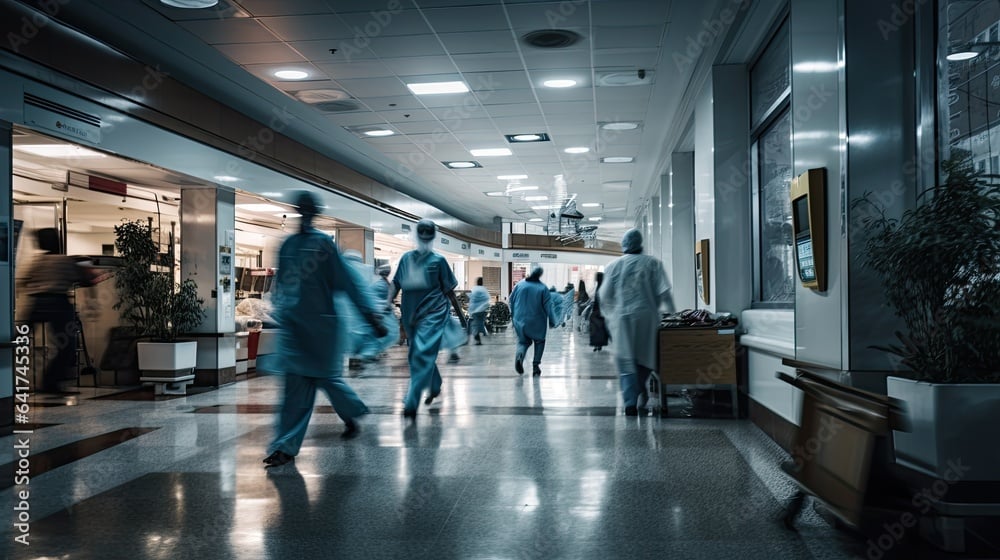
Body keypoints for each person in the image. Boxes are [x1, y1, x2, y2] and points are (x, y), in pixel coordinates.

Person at [263, 191, 387, 468]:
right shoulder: (288, 246)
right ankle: (284, 447)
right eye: (302, 208)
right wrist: (280, 313)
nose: (305, 213)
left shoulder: (323, 246)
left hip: (321, 330)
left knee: (329, 381)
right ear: (298, 210)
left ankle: (353, 413)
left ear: (314, 212)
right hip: (295, 330)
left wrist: (371, 318)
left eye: (309, 209)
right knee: (295, 392)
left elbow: (348, 284)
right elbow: (281, 286)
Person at [389, 219, 467, 420]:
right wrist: (384, 305)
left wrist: (461, 318)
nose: (424, 235)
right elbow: (396, 284)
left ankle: (411, 402)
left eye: (428, 232)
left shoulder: (438, 261)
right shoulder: (406, 259)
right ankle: (435, 386)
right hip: (410, 316)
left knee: (421, 355)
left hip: (433, 314)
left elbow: (450, 292)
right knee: (417, 353)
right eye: (421, 231)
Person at [599, 229, 675, 416]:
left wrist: (610, 317)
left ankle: (630, 401)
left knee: (626, 359)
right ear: (640, 244)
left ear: (624, 245)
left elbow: (604, 296)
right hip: (646, 318)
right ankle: (640, 389)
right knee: (645, 357)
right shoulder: (653, 264)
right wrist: (673, 314)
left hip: (622, 319)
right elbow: (664, 293)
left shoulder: (612, 266)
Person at [24, 228, 104, 393]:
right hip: (58, 303)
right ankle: (49, 383)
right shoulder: (64, 261)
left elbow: (26, 282)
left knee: (21, 339)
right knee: (67, 346)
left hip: (37, 303)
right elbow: (85, 280)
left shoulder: (37, 261)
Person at [509, 267, 559, 376]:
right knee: (539, 341)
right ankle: (536, 366)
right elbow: (548, 307)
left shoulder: (519, 285)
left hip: (519, 319)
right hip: (536, 321)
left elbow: (511, 300)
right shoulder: (542, 288)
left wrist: (513, 315)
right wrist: (552, 320)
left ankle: (520, 355)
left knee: (523, 342)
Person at [589, 271, 610, 351]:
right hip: (601, 312)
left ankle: (598, 345)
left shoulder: (599, 287)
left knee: (597, 329)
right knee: (599, 329)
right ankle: (598, 345)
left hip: (598, 311)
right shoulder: (601, 286)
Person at [467, 277, 490, 345]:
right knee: (480, 323)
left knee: (475, 325)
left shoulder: (474, 289)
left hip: (475, 310)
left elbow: (471, 299)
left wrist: (470, 309)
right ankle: (482, 334)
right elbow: (487, 299)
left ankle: (477, 337)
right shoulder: (484, 290)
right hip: (483, 310)